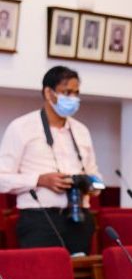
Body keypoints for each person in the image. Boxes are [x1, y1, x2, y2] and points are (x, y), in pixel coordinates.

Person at [0, 65, 101, 254]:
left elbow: (94, 174)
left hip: (79, 218)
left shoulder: (81, 131)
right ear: (48, 92)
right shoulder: (21, 127)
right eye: (67, 92)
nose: (73, 98)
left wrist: (90, 185)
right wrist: (40, 180)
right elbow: (2, 179)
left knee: (80, 272)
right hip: (39, 220)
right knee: (44, 272)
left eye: (76, 93)